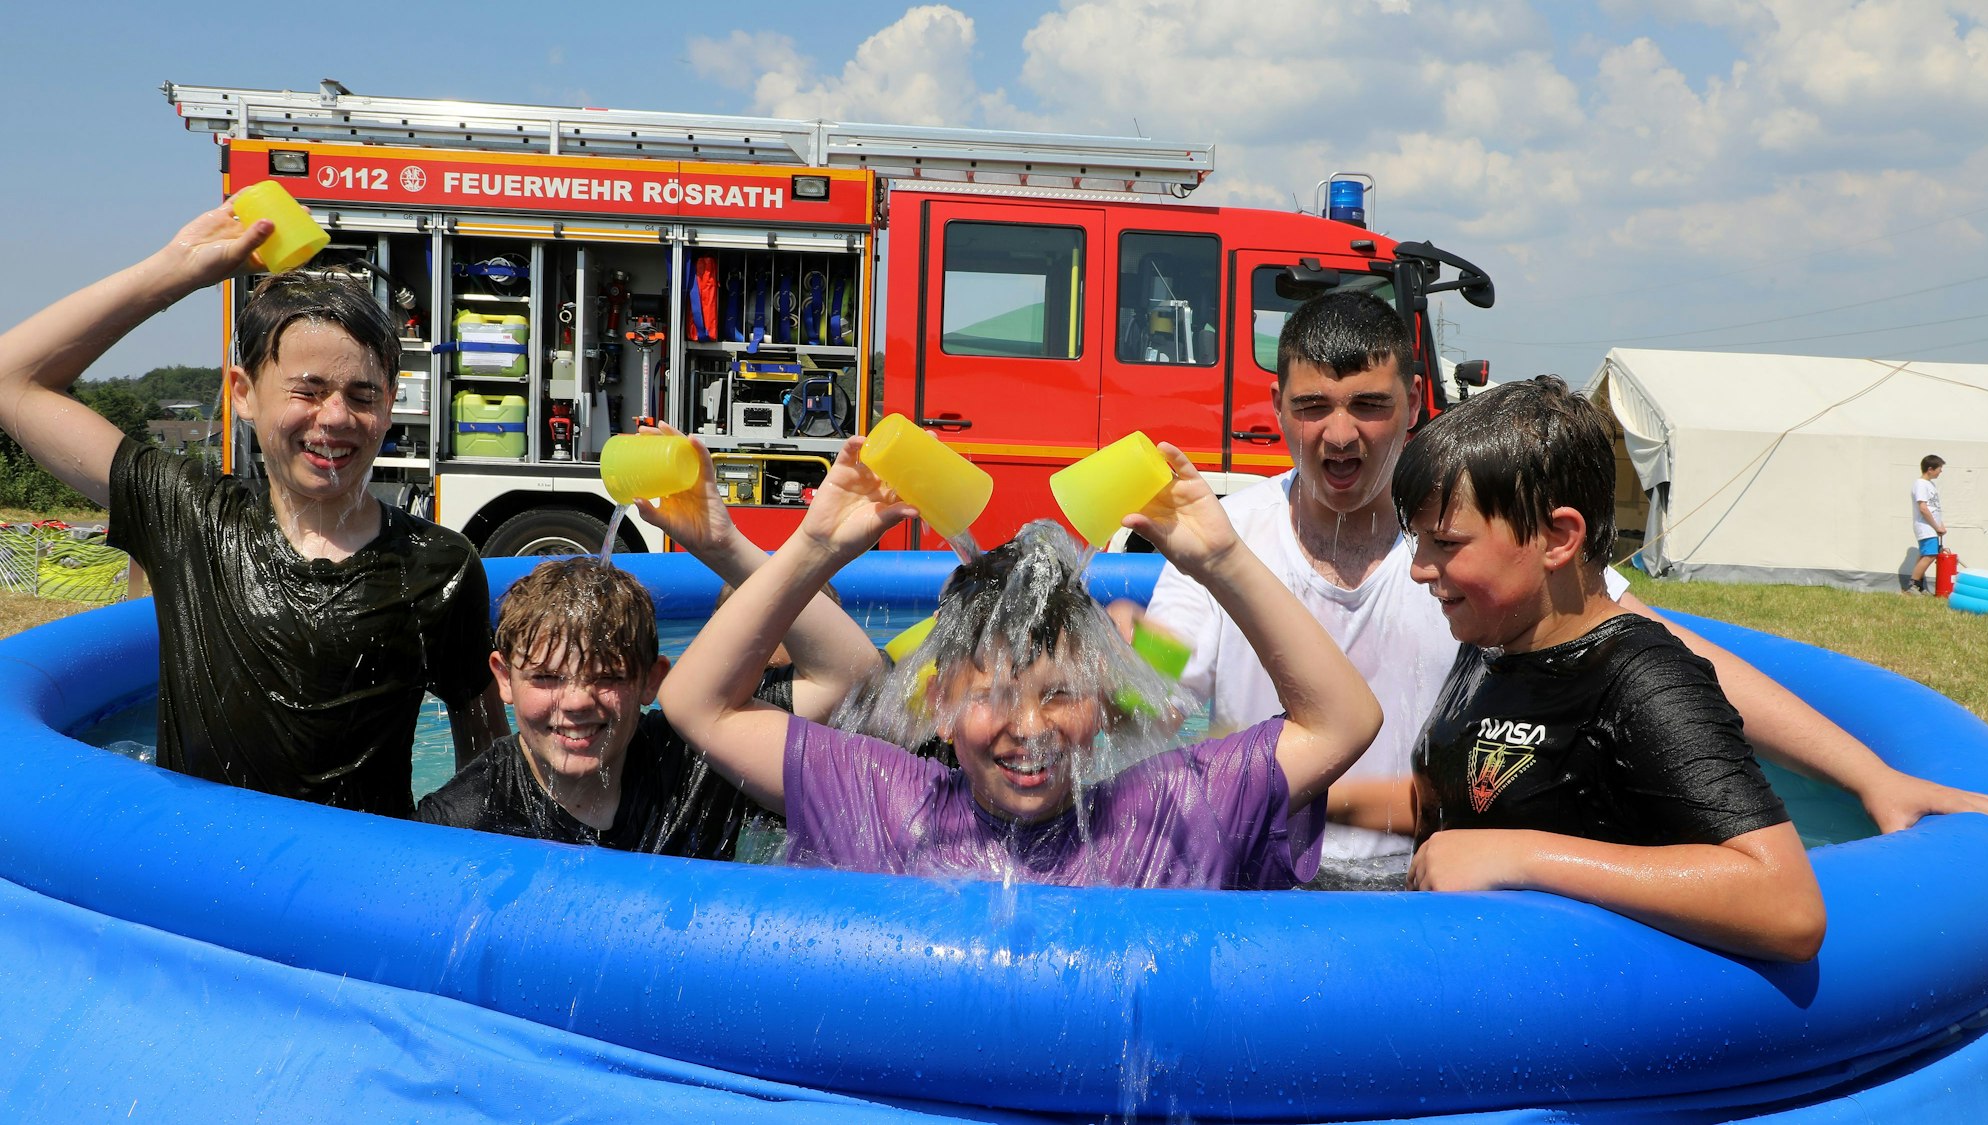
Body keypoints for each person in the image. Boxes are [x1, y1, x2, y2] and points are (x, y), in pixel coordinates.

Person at [1127, 293, 1988, 867]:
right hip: (1264, 873)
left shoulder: (1491, 544)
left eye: (1370, 405)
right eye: (1313, 407)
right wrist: (1122, 671)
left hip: (1441, 876)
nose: (1340, 434)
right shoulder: (1221, 541)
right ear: (1276, 407)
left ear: (1415, 405)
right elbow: (1159, 690)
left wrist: (1866, 773)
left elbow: (1663, 656)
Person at [660, 436, 1383, 889]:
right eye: (997, 694)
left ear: (1104, 698)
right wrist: (813, 549)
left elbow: (1345, 723)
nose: (1028, 725)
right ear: (938, 703)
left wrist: (1223, 561)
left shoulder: (1170, 809)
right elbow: (698, 706)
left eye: (1060, 693)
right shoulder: (882, 799)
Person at [0, 201, 509, 816]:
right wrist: (177, 270)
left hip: (363, 886)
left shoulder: (439, 567)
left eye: (362, 394)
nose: (336, 417)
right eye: (308, 390)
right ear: (244, 394)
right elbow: (12, 380)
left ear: (391, 403)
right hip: (211, 879)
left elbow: (486, 762)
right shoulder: (188, 518)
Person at [1394, 376, 1824, 962]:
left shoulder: (1641, 681)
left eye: (1444, 541)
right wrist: (1304, 795)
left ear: (1558, 538)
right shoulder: (1496, 642)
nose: (1420, 568)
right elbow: (1465, 797)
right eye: (1418, 540)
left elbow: (1787, 906)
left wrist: (1523, 857)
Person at [418, 434, 878, 853]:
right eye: (546, 677)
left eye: (609, 677)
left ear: (651, 681)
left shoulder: (695, 759)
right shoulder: (466, 818)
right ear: (502, 676)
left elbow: (851, 678)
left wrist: (725, 548)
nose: (577, 701)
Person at [1907, 454, 1947, 595]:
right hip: (1925, 526)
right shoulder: (1920, 484)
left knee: (1925, 554)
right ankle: (1913, 585)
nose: (1940, 471)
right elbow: (1923, 508)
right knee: (1930, 555)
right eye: (1939, 468)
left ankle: (1918, 585)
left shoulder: (1931, 484)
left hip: (1932, 527)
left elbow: (1934, 508)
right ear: (1930, 469)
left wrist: (1940, 525)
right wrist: (1936, 527)